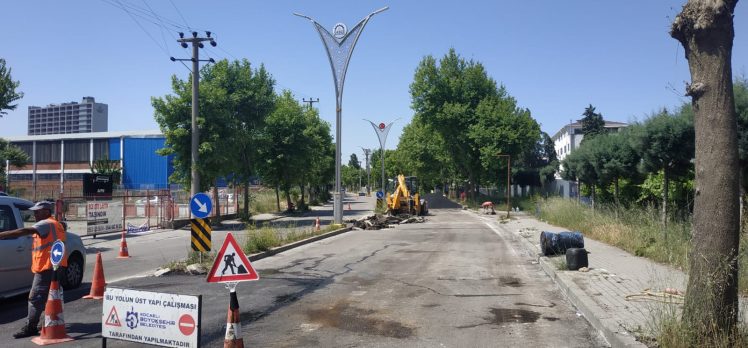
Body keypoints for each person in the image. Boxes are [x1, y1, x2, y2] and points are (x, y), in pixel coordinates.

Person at [0, 201, 68, 339]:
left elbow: (24, 231)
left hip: (47, 267)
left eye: (37, 211)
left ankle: (31, 327)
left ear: (46, 212)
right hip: (55, 266)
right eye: (34, 211)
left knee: (35, 298)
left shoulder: (45, 224)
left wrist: (1, 235)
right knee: (49, 297)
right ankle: (50, 321)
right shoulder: (55, 224)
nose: (35, 214)